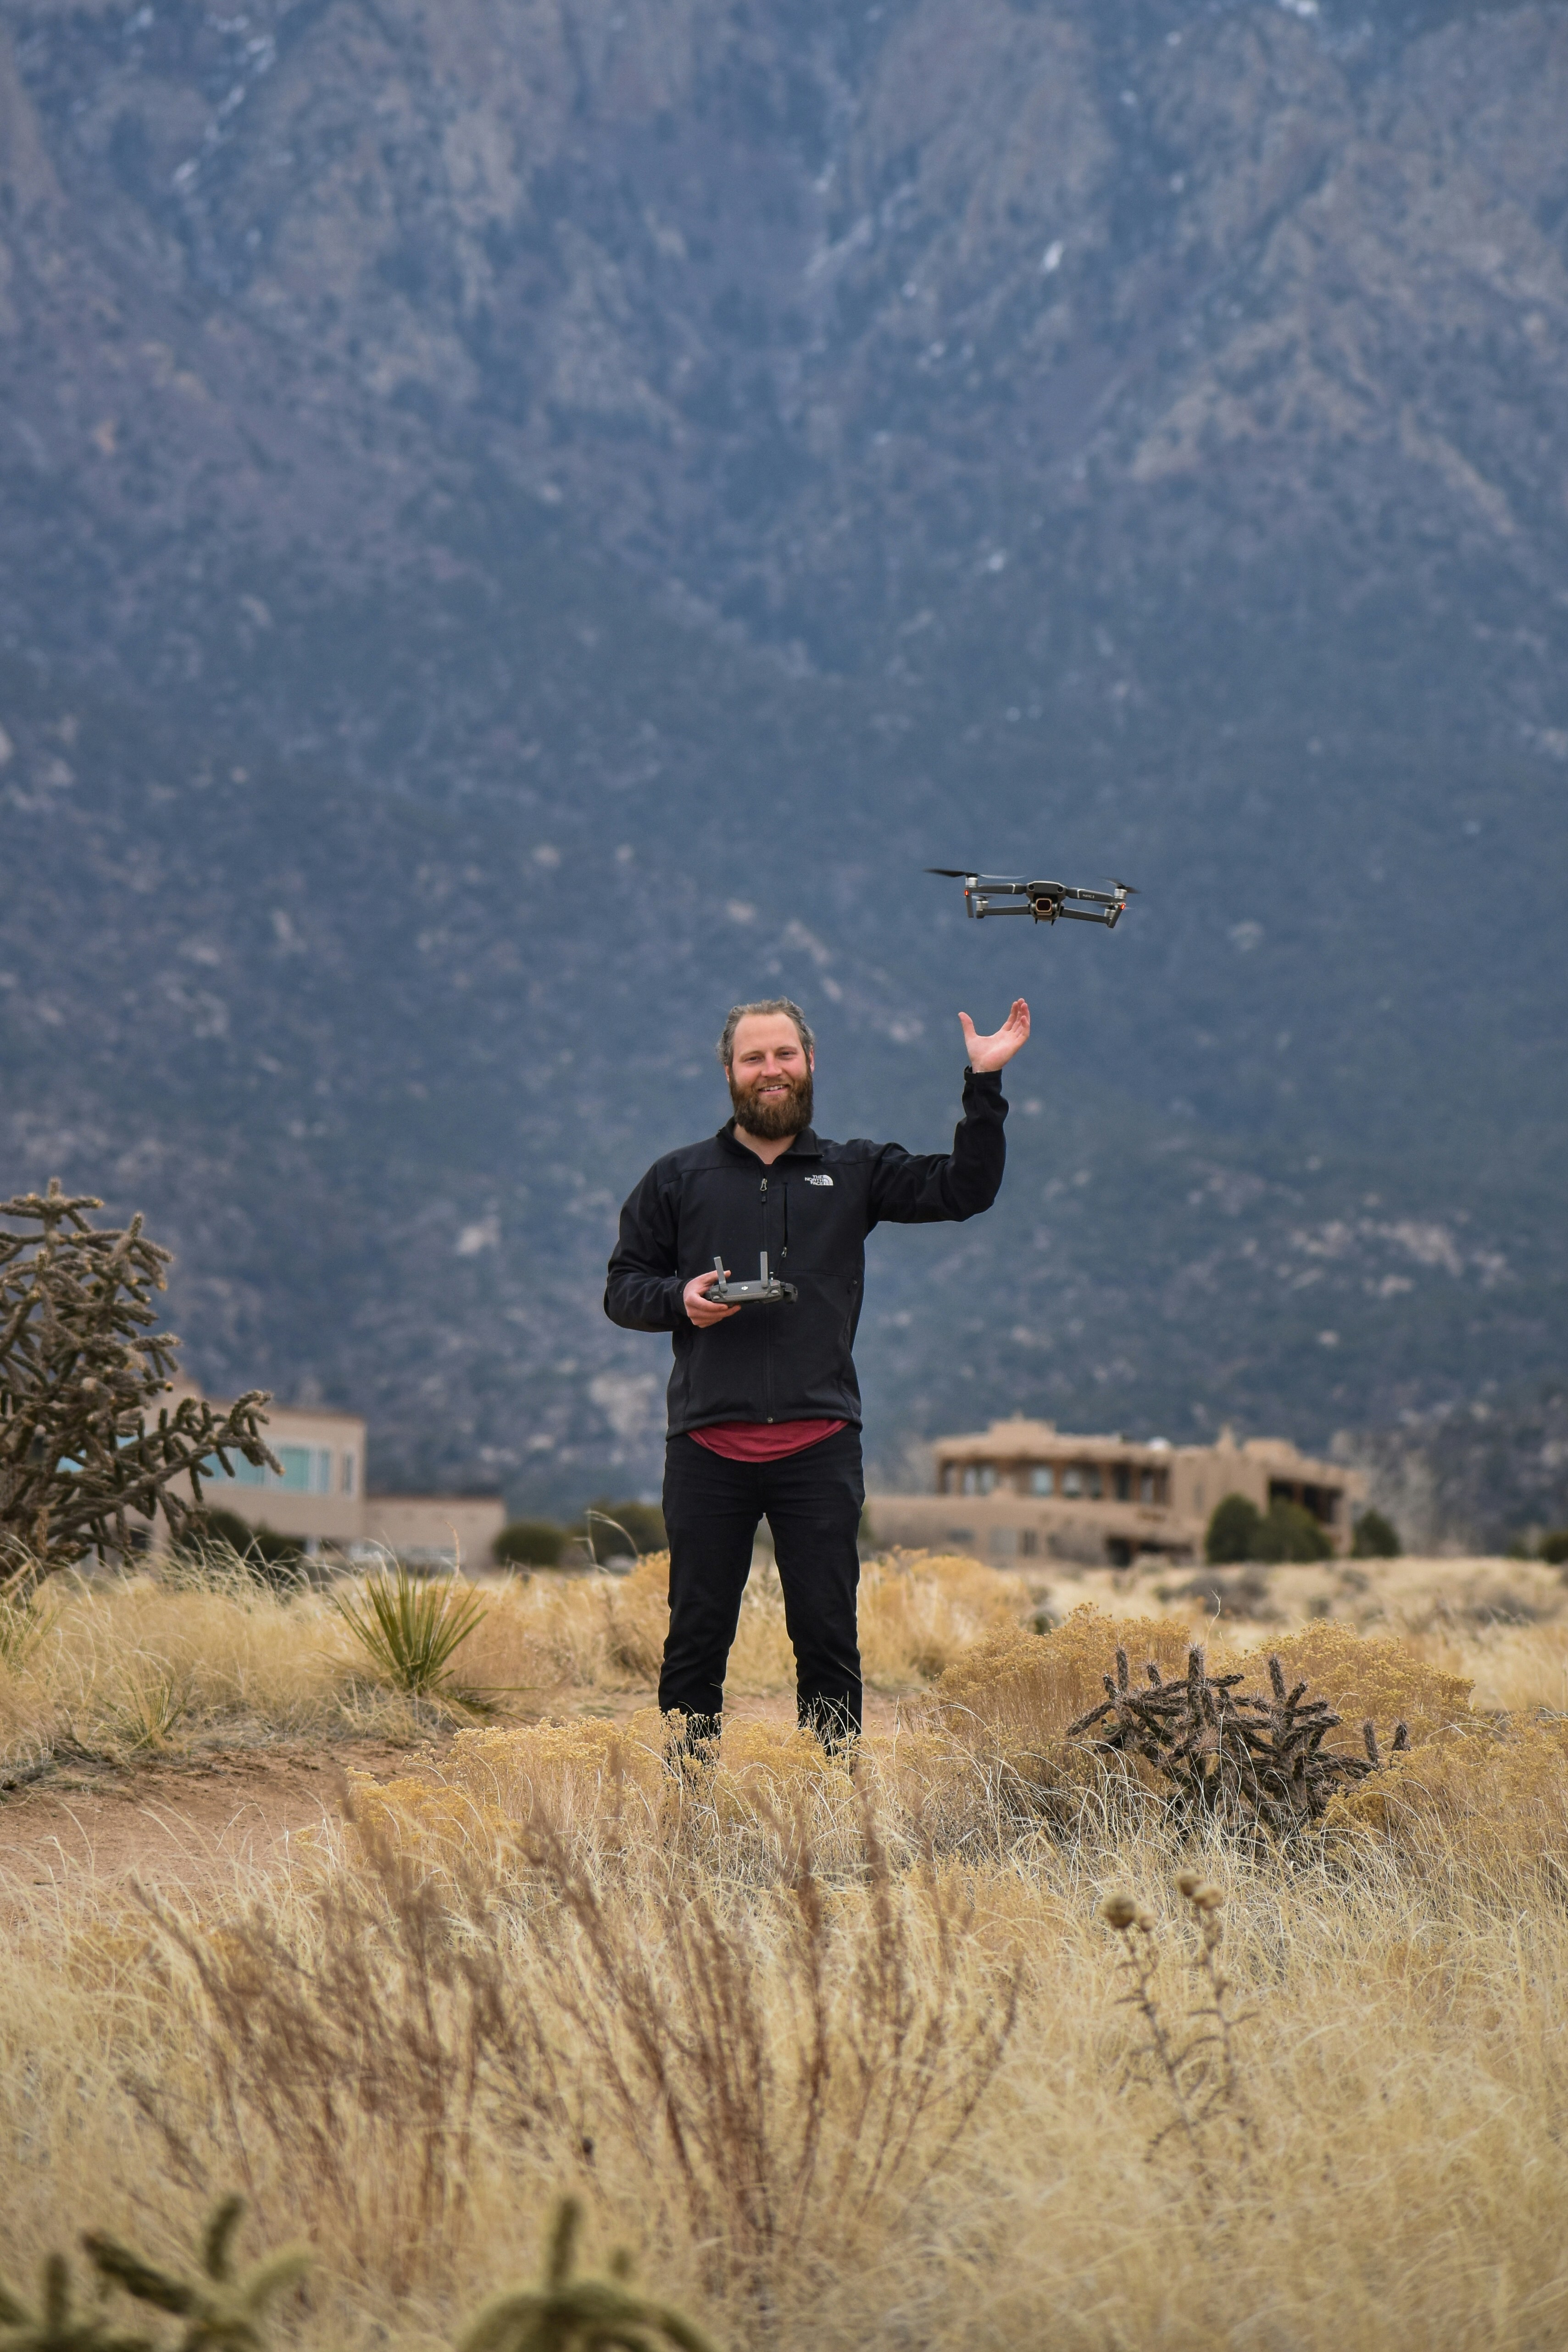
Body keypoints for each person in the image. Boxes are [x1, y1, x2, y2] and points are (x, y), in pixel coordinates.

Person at [603, 994, 1029, 1749]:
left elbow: (967, 1191)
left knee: (828, 1643)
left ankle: (831, 1807)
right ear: (730, 1073)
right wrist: (680, 1299)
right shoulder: (676, 1179)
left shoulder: (855, 1169)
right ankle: (686, 1807)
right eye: (753, 1058)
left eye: (784, 1055)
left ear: (808, 1065)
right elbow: (622, 1290)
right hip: (706, 1451)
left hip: (819, 1448)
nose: (770, 1070)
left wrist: (983, 1083)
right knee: (695, 1644)